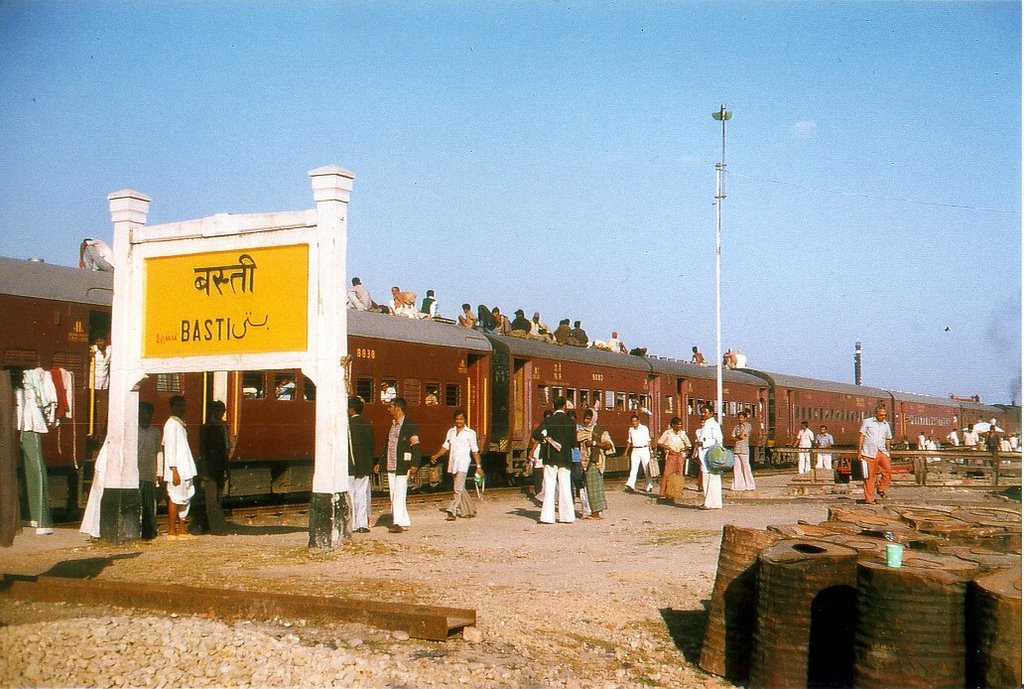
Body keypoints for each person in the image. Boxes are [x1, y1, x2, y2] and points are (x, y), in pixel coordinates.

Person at [429, 409, 482, 520]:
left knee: (457, 488)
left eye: (461, 419)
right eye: (457, 419)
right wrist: (436, 456)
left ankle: (451, 510)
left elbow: (475, 451)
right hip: (453, 463)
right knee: (461, 488)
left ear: (465, 420)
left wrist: (478, 467)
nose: (459, 421)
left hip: (463, 463)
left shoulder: (470, 433)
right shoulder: (451, 432)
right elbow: (445, 447)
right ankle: (470, 510)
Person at [530, 397, 576, 524]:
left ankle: (547, 517)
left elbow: (535, 434)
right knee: (565, 486)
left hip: (551, 457)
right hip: (566, 458)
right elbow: (574, 442)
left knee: (549, 487)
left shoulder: (549, 420)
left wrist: (546, 438)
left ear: (553, 406)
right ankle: (567, 516)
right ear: (564, 406)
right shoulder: (570, 422)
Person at [382, 398, 421, 533]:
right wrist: (380, 463)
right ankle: (404, 522)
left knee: (399, 494)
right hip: (391, 464)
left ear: (398, 408)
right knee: (394, 494)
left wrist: (415, 464)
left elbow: (416, 446)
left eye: (390, 406)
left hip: (403, 465)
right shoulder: (393, 425)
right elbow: (388, 446)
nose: (388, 409)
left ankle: (397, 523)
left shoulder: (410, 425)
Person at [162, 395, 198, 540]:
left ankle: (182, 529)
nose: (181, 408)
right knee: (175, 498)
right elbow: (169, 448)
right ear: (171, 407)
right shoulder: (171, 424)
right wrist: (174, 470)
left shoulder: (180, 424)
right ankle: (171, 530)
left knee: (185, 497)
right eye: (178, 406)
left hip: (186, 468)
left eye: (183, 405)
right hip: (177, 469)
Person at [195, 400, 231, 535]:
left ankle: (210, 526)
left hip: (221, 466)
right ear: (213, 411)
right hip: (210, 467)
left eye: (222, 410)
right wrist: (204, 470)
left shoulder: (223, 426)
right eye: (217, 410)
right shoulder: (206, 427)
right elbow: (203, 450)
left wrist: (227, 467)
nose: (220, 413)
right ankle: (217, 528)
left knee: (217, 498)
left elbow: (225, 449)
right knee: (211, 499)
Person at [348, 397, 375, 533]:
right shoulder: (367, 424)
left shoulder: (347, 426)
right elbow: (371, 447)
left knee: (350, 496)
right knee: (362, 495)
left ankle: (352, 525)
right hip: (364, 466)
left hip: (350, 466)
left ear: (351, 409)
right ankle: (362, 524)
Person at [579, 409, 612, 519]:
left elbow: (608, 445)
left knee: (595, 488)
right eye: (585, 418)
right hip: (585, 462)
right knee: (589, 487)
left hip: (595, 462)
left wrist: (594, 443)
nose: (586, 420)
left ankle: (596, 513)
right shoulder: (582, 431)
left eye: (588, 418)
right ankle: (594, 511)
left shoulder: (600, 430)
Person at [857, 403, 893, 504]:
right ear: (876, 414)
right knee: (869, 477)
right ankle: (869, 499)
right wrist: (859, 452)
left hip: (882, 451)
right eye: (881, 415)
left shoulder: (886, 425)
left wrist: (888, 453)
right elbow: (861, 437)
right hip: (869, 452)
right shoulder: (867, 422)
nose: (883, 417)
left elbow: (888, 439)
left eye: (885, 415)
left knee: (888, 471)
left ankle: (881, 488)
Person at [137, 402, 162, 540]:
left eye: (146, 413)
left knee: (149, 504)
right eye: (141, 413)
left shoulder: (155, 432)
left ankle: (149, 531)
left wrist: (159, 472)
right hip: (136, 473)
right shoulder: (134, 430)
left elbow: (158, 452)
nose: (144, 416)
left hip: (149, 473)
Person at [696, 406, 724, 509]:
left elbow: (719, 440)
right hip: (704, 454)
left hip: (710, 454)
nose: (703, 414)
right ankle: (709, 501)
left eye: (705, 412)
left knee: (712, 478)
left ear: (711, 413)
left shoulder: (714, 425)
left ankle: (711, 503)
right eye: (702, 412)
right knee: (707, 478)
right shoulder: (706, 425)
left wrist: (703, 442)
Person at [657, 417, 691, 498]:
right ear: (673, 425)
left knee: (679, 474)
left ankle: (678, 491)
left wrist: (683, 449)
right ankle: (662, 493)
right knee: (666, 474)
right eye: (678, 424)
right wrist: (668, 448)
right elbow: (659, 442)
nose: (680, 426)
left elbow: (689, 445)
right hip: (671, 455)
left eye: (680, 424)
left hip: (680, 455)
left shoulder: (682, 434)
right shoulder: (667, 433)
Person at [623, 413, 654, 493]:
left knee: (646, 468)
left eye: (635, 421)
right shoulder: (631, 430)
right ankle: (630, 485)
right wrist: (626, 452)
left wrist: (651, 451)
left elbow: (648, 440)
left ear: (638, 421)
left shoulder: (644, 428)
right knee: (634, 468)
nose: (634, 423)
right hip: (635, 450)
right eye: (632, 422)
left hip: (644, 449)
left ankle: (649, 484)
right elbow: (629, 441)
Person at [732, 412, 756, 491]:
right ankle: (738, 486)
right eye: (739, 417)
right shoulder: (736, 427)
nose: (740, 419)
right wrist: (738, 437)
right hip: (736, 449)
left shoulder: (748, 426)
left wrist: (737, 437)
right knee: (737, 468)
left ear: (745, 418)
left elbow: (743, 436)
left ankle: (750, 485)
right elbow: (732, 437)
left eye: (742, 417)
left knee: (746, 468)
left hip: (744, 449)